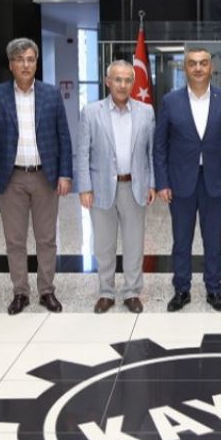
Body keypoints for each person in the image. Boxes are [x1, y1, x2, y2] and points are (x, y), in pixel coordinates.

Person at [0, 37, 73, 315]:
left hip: (45, 176)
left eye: (30, 59)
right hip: (11, 178)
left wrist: (65, 174)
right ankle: (20, 292)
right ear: (11, 65)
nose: (25, 65)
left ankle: (47, 291)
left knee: (46, 238)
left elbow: (63, 137)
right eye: (20, 59)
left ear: (36, 63)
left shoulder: (51, 94)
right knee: (15, 240)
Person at [153, 47, 221, 312]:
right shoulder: (170, 101)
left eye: (203, 63)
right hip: (180, 181)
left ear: (211, 68)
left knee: (213, 240)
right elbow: (160, 146)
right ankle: (181, 289)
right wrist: (162, 182)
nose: (198, 68)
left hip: (216, 181)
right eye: (192, 63)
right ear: (185, 68)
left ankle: (214, 289)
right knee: (181, 240)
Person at [77, 60, 155, 314]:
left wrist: (152, 183)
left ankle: (132, 292)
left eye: (128, 80)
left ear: (133, 83)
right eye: (117, 79)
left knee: (134, 244)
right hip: (100, 188)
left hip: (134, 186)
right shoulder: (91, 112)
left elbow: (151, 152)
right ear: (107, 81)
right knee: (104, 245)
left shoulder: (146, 112)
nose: (122, 85)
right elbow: (82, 153)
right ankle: (106, 292)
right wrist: (84, 187)